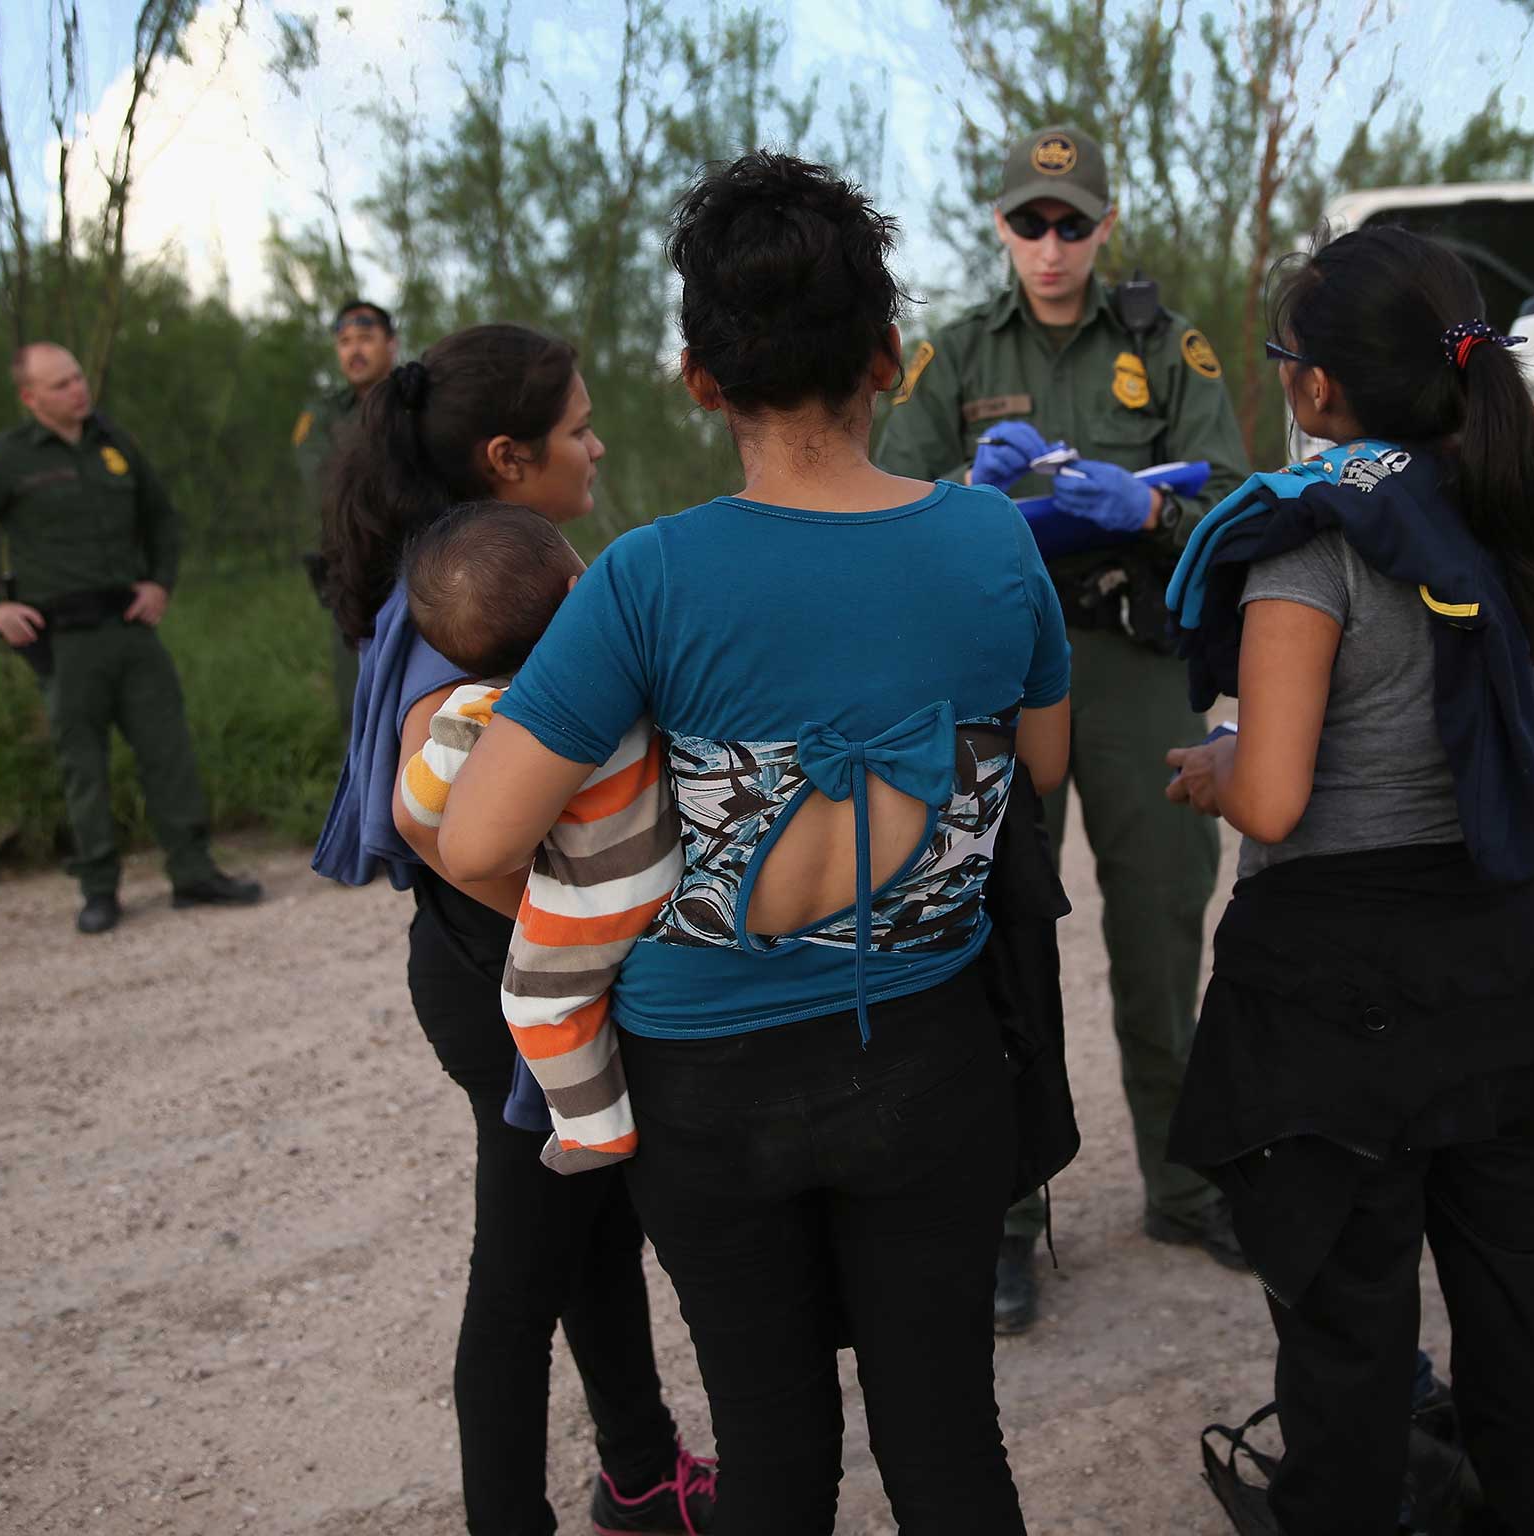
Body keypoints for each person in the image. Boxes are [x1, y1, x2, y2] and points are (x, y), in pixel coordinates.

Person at [438, 151, 1070, 1536]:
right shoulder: (994, 542)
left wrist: (630, 904)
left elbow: (480, 839)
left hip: (706, 1095)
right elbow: (1041, 770)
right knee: (949, 1445)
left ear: (697, 378)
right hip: (934, 1056)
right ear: (891, 360)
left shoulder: (645, 581)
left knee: (773, 1455)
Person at [1161, 226, 1534, 1535]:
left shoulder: (1313, 543)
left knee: (1349, 1322)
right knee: (1521, 1289)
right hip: (1502, 949)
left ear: (1317, 388)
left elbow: (1278, 795)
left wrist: (1211, 764)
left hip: (1333, 986)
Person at [310, 325, 714, 1536]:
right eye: (578, 429)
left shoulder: (477, 581)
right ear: (506, 458)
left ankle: (640, 1472)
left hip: (508, 972)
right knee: (519, 1279)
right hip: (514, 984)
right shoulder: (459, 636)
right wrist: (602, 934)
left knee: (587, 1230)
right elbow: (440, 829)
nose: (593, 445)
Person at [875, 123, 1252, 1333]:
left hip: (1135, 660)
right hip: (997, 665)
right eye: (1029, 222)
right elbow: (883, 502)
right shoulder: (951, 355)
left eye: (1071, 222)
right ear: (999, 227)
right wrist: (969, 497)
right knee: (995, 933)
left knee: (1160, 931)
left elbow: (1234, 504)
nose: (1050, 245)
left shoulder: (1164, 344)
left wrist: (1146, 504)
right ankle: (1004, 1223)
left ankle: (1188, 1188)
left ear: (1103, 226)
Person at [0, 342, 263, 934]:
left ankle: (193, 872)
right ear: (30, 397)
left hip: (131, 630)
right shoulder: (4, 458)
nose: (77, 390)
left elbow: (161, 517)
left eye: (78, 377)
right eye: (60, 385)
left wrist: (159, 583)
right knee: (83, 764)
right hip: (65, 641)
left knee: (169, 753)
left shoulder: (114, 444)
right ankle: (99, 889)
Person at [394, 501, 680, 1172]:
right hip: (676, 865)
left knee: (537, 1003)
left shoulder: (478, 711)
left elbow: (417, 803)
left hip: (594, 901)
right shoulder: (626, 660)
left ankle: (596, 1127)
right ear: (580, 590)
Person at [295, 299, 399, 733]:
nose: (354, 350)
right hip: (354, 579)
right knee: (359, 711)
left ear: (391, 344)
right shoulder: (321, 415)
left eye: (366, 338)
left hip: (422, 568)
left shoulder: (419, 401)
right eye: (344, 342)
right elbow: (324, 484)